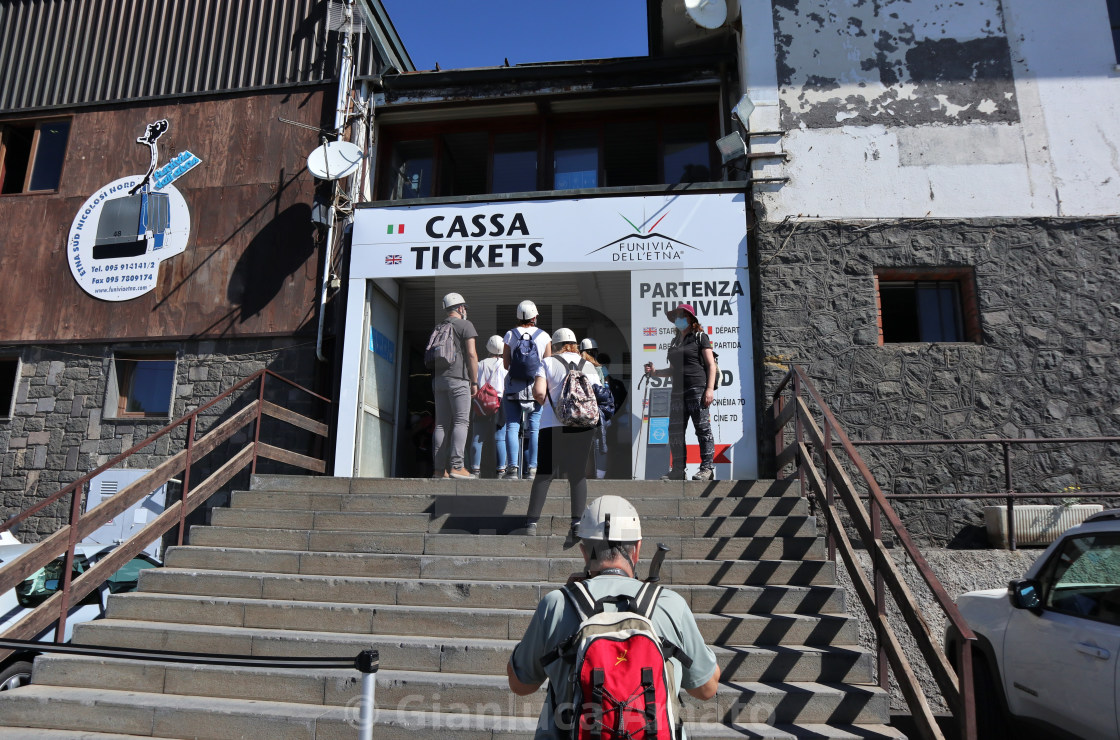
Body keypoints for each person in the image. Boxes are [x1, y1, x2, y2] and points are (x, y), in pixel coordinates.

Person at [507, 495, 720, 738]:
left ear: (585, 552)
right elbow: (707, 688)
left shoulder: (556, 604)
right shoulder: (670, 604)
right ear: (637, 548)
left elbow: (520, 684)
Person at [523, 328, 602, 537]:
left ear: (556, 345)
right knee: (577, 475)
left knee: (544, 474)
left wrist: (552, 406)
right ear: (575, 344)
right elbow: (598, 396)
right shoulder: (589, 366)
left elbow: (539, 392)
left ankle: (531, 523)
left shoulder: (548, 363)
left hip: (551, 425)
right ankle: (576, 523)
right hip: (583, 427)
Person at [644, 303, 716, 481]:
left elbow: (710, 365)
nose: (678, 319)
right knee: (675, 431)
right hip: (677, 392)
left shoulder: (700, 337)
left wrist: (709, 389)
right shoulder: (675, 342)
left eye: (682, 316)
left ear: (691, 319)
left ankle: (707, 468)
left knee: (702, 429)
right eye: (676, 316)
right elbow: (672, 370)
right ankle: (678, 470)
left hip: (697, 388)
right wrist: (655, 373)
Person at [431, 292, 478, 479]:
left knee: (441, 424)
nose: (465, 310)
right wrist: (474, 381)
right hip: (458, 379)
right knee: (461, 421)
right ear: (460, 308)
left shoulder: (439, 326)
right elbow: (472, 354)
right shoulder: (465, 325)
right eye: (464, 307)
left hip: (439, 380)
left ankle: (438, 470)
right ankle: (457, 466)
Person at [502, 300, 551, 480]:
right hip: (536, 387)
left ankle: (512, 468)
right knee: (535, 428)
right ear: (535, 316)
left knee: (512, 426)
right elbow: (548, 365)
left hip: (513, 386)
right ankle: (533, 468)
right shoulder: (544, 336)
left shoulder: (509, 335)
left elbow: (506, 364)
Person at [469, 335, 508, 478]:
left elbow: (476, 382)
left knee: (477, 437)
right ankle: (501, 470)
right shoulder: (506, 365)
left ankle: (475, 470)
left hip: (482, 401)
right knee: (500, 438)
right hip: (500, 402)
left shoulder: (481, 364)